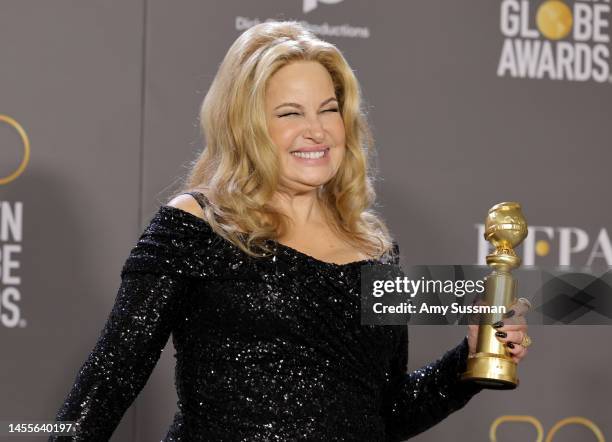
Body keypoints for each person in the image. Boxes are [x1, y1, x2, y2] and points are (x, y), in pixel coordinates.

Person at [50, 21, 529, 441]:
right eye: (290, 113)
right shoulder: (198, 226)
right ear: (247, 126)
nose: (317, 131)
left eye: (328, 109)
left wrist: (469, 360)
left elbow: (386, 414)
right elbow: (107, 383)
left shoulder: (375, 248)